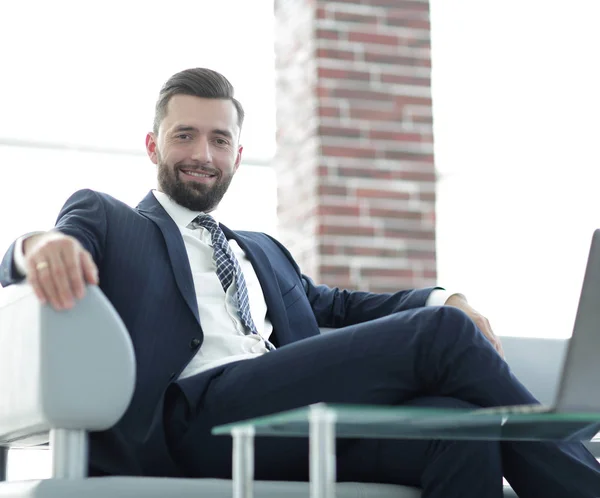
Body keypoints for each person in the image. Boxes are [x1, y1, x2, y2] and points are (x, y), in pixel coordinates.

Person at [1, 68, 598, 498]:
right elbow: (54, 243)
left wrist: (443, 294)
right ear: (154, 144)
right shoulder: (113, 219)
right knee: (441, 334)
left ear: (238, 153)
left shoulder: (262, 250)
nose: (201, 153)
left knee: (456, 426)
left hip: (289, 417)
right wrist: (40, 246)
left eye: (219, 139)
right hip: (193, 420)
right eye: (184, 135)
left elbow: (337, 305)